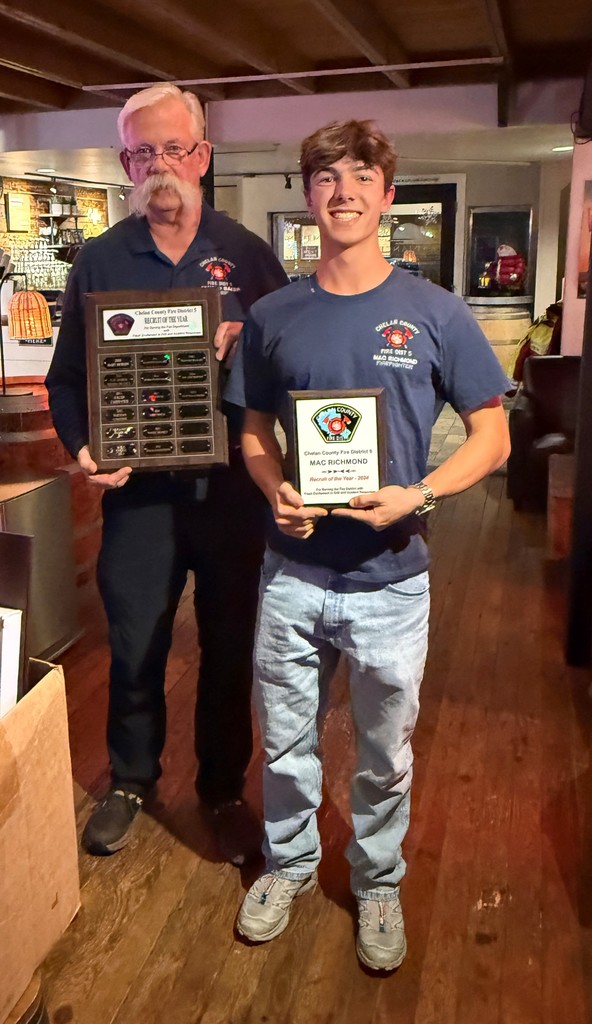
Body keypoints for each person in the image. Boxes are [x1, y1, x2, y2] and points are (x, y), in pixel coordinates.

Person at [226, 120, 511, 970]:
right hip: (292, 575)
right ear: (307, 196)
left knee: (385, 752)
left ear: (388, 195)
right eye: (325, 176)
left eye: (360, 176)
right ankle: (289, 864)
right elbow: (251, 432)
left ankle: (378, 880)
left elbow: (491, 437)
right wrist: (273, 486)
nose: (342, 190)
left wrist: (420, 493)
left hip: (393, 581)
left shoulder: (434, 311)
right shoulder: (273, 314)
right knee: (283, 739)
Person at [46, 83, 288, 862]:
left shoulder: (249, 255)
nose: (160, 164)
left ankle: (221, 786)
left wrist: (248, 338)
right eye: (143, 151)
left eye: (174, 148)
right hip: (140, 499)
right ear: (125, 163)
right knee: (136, 641)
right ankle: (130, 780)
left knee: (227, 643)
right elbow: (64, 379)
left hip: (228, 497)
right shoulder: (101, 256)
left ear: (203, 155)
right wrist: (82, 445)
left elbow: (289, 365)